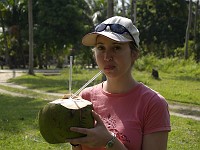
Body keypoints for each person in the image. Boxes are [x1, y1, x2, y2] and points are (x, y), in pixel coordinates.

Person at [66, 16, 171, 150]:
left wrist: (109, 141)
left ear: (134, 54)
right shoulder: (85, 97)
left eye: (116, 48)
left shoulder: (153, 104)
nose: (107, 57)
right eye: (101, 48)